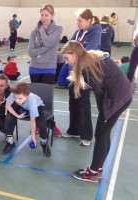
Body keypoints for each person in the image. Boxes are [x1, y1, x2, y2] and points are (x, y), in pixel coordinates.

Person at [61, 41, 133, 183]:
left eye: (66, 58)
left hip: (118, 99)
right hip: (122, 95)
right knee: (103, 133)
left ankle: (93, 173)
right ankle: (97, 168)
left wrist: (104, 113)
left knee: (100, 134)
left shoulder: (89, 68)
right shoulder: (89, 58)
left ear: (75, 54)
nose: (65, 62)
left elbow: (100, 95)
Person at [62, 8, 102, 146]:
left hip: (85, 74)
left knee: (84, 105)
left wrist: (76, 50)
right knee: (73, 102)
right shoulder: (78, 32)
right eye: (77, 20)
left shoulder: (96, 32)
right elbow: (69, 47)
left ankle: (86, 135)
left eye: (80, 20)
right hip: (72, 72)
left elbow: (87, 52)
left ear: (89, 21)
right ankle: (73, 130)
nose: (77, 22)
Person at [2, 82, 51, 157]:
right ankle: (10, 142)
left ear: (27, 96)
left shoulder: (32, 102)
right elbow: (7, 106)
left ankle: (43, 142)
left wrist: (33, 137)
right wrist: (17, 115)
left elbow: (32, 121)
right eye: (15, 98)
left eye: (19, 98)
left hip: (38, 106)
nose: (17, 100)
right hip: (22, 106)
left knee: (41, 124)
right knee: (9, 117)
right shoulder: (16, 95)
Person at [28, 4, 62, 84]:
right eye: (42, 15)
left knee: (46, 95)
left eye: (46, 15)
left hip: (49, 67)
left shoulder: (57, 29)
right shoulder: (34, 31)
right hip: (34, 67)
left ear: (52, 15)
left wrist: (42, 30)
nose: (43, 18)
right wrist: (48, 47)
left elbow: (49, 42)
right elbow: (31, 52)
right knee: (35, 95)